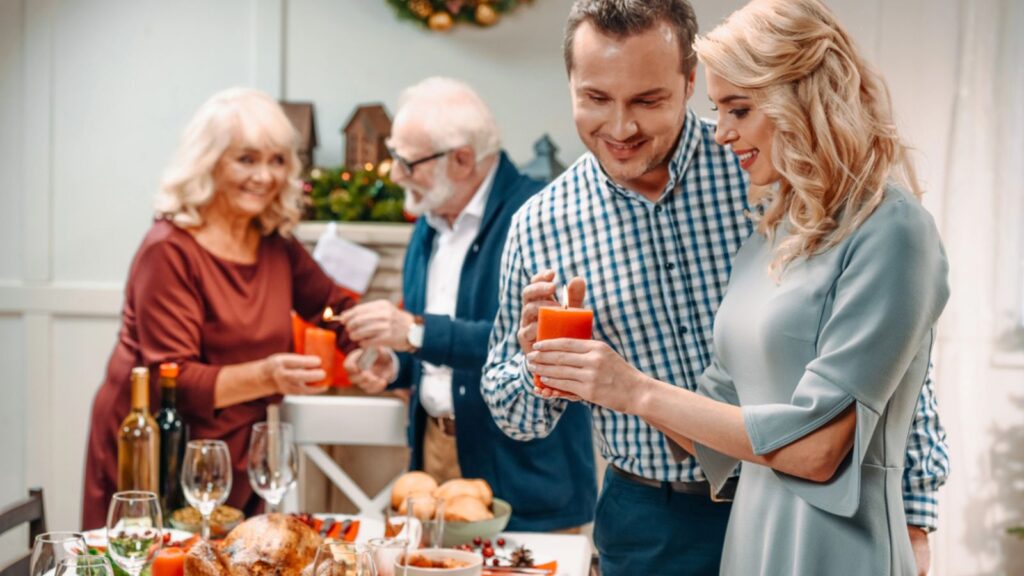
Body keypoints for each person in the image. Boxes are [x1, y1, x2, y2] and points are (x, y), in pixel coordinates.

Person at [481, 1, 950, 574]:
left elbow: (893, 366)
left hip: (822, 512)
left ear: (687, 82)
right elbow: (514, 415)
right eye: (597, 99)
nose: (622, 127)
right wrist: (549, 367)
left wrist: (915, 510)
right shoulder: (542, 221)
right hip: (656, 517)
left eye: (648, 101)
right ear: (571, 84)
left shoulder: (765, 171)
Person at [82, 88, 355, 529]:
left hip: (234, 452)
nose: (264, 176)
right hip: (155, 450)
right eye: (246, 159)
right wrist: (268, 375)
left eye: (277, 160)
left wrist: (367, 349)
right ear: (208, 162)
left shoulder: (275, 244)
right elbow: (176, 382)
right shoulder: (169, 250)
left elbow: (334, 306)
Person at [340, 78, 596, 532]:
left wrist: (416, 332)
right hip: (435, 455)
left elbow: (537, 348)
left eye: (405, 161)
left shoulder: (542, 215)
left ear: (461, 159)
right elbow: (436, 349)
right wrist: (396, 365)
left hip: (525, 472)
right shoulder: (430, 216)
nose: (394, 174)